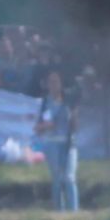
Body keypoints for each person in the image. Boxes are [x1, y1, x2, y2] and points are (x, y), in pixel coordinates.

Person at [34, 69, 78, 212]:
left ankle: (74, 211)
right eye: (51, 82)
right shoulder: (45, 103)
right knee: (57, 179)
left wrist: (74, 119)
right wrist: (46, 125)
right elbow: (40, 126)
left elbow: (75, 125)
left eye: (56, 81)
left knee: (69, 177)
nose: (53, 85)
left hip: (68, 143)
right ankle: (59, 211)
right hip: (52, 143)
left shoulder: (69, 101)